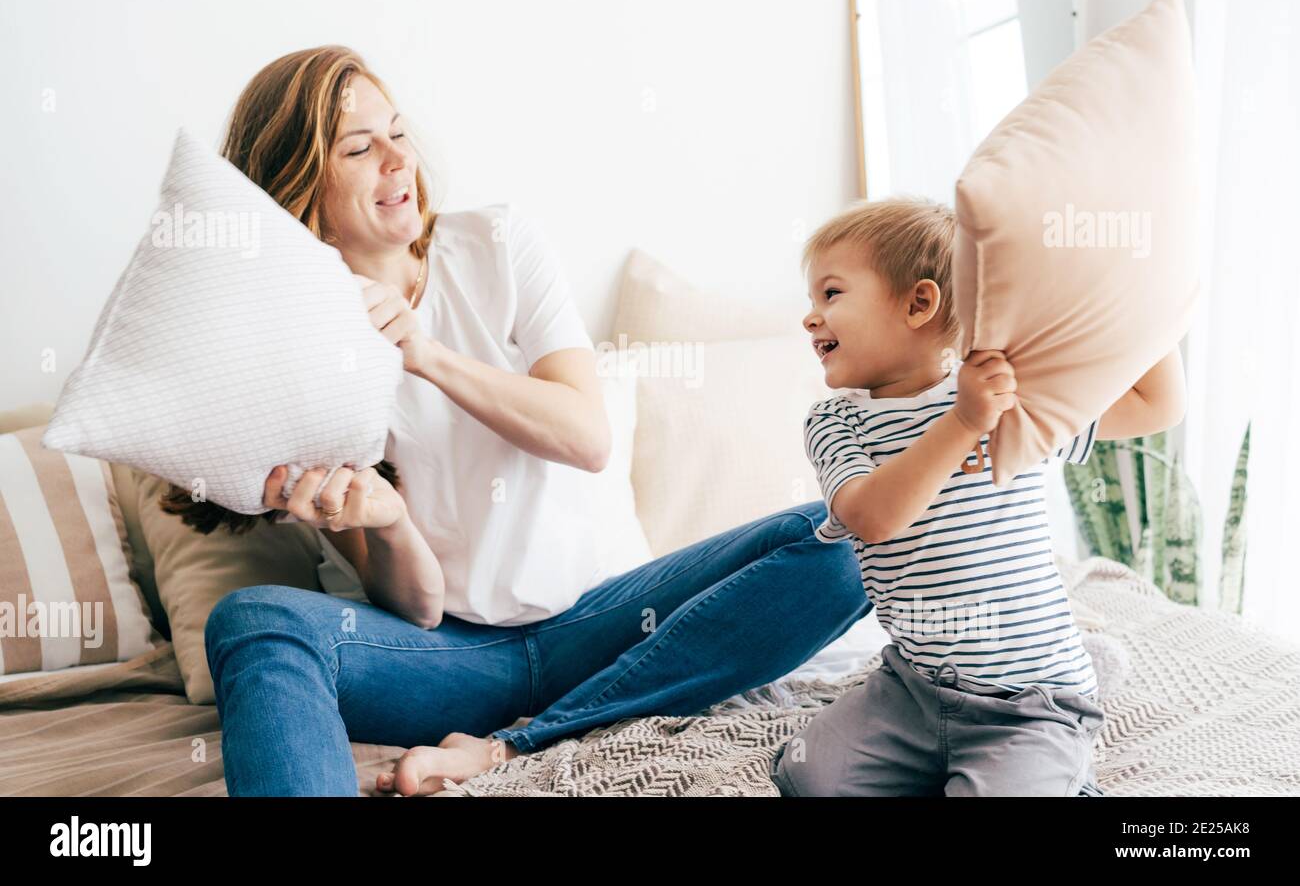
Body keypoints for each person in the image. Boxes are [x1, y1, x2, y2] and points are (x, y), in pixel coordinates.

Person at [193, 45, 872, 796]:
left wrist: (426, 355)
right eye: (359, 148)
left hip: (608, 626)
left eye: (398, 131)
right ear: (298, 190)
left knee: (847, 535)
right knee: (254, 621)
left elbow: (586, 437)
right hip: (449, 660)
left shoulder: (497, 245)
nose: (398, 158)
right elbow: (416, 606)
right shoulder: (299, 359)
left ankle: (510, 748)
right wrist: (390, 523)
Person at [771, 197, 1186, 796]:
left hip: (1030, 700)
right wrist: (963, 423)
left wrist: (1135, 287)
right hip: (915, 688)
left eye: (831, 294)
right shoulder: (836, 421)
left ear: (919, 304)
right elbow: (873, 517)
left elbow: (1156, 406)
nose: (810, 319)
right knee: (808, 776)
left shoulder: (1007, 400)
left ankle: (1063, 738)